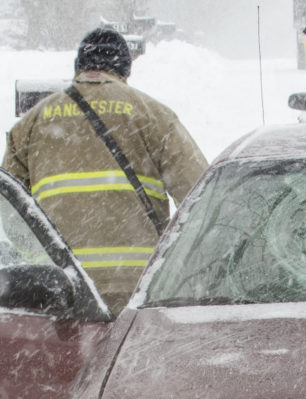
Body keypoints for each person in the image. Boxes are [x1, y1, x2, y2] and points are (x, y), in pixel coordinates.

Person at [2, 28, 208, 314]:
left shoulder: (32, 123)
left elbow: (11, 210)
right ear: (124, 69)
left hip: (62, 290)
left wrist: (42, 263)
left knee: (72, 359)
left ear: (79, 67)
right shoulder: (152, 115)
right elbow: (201, 199)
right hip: (137, 286)